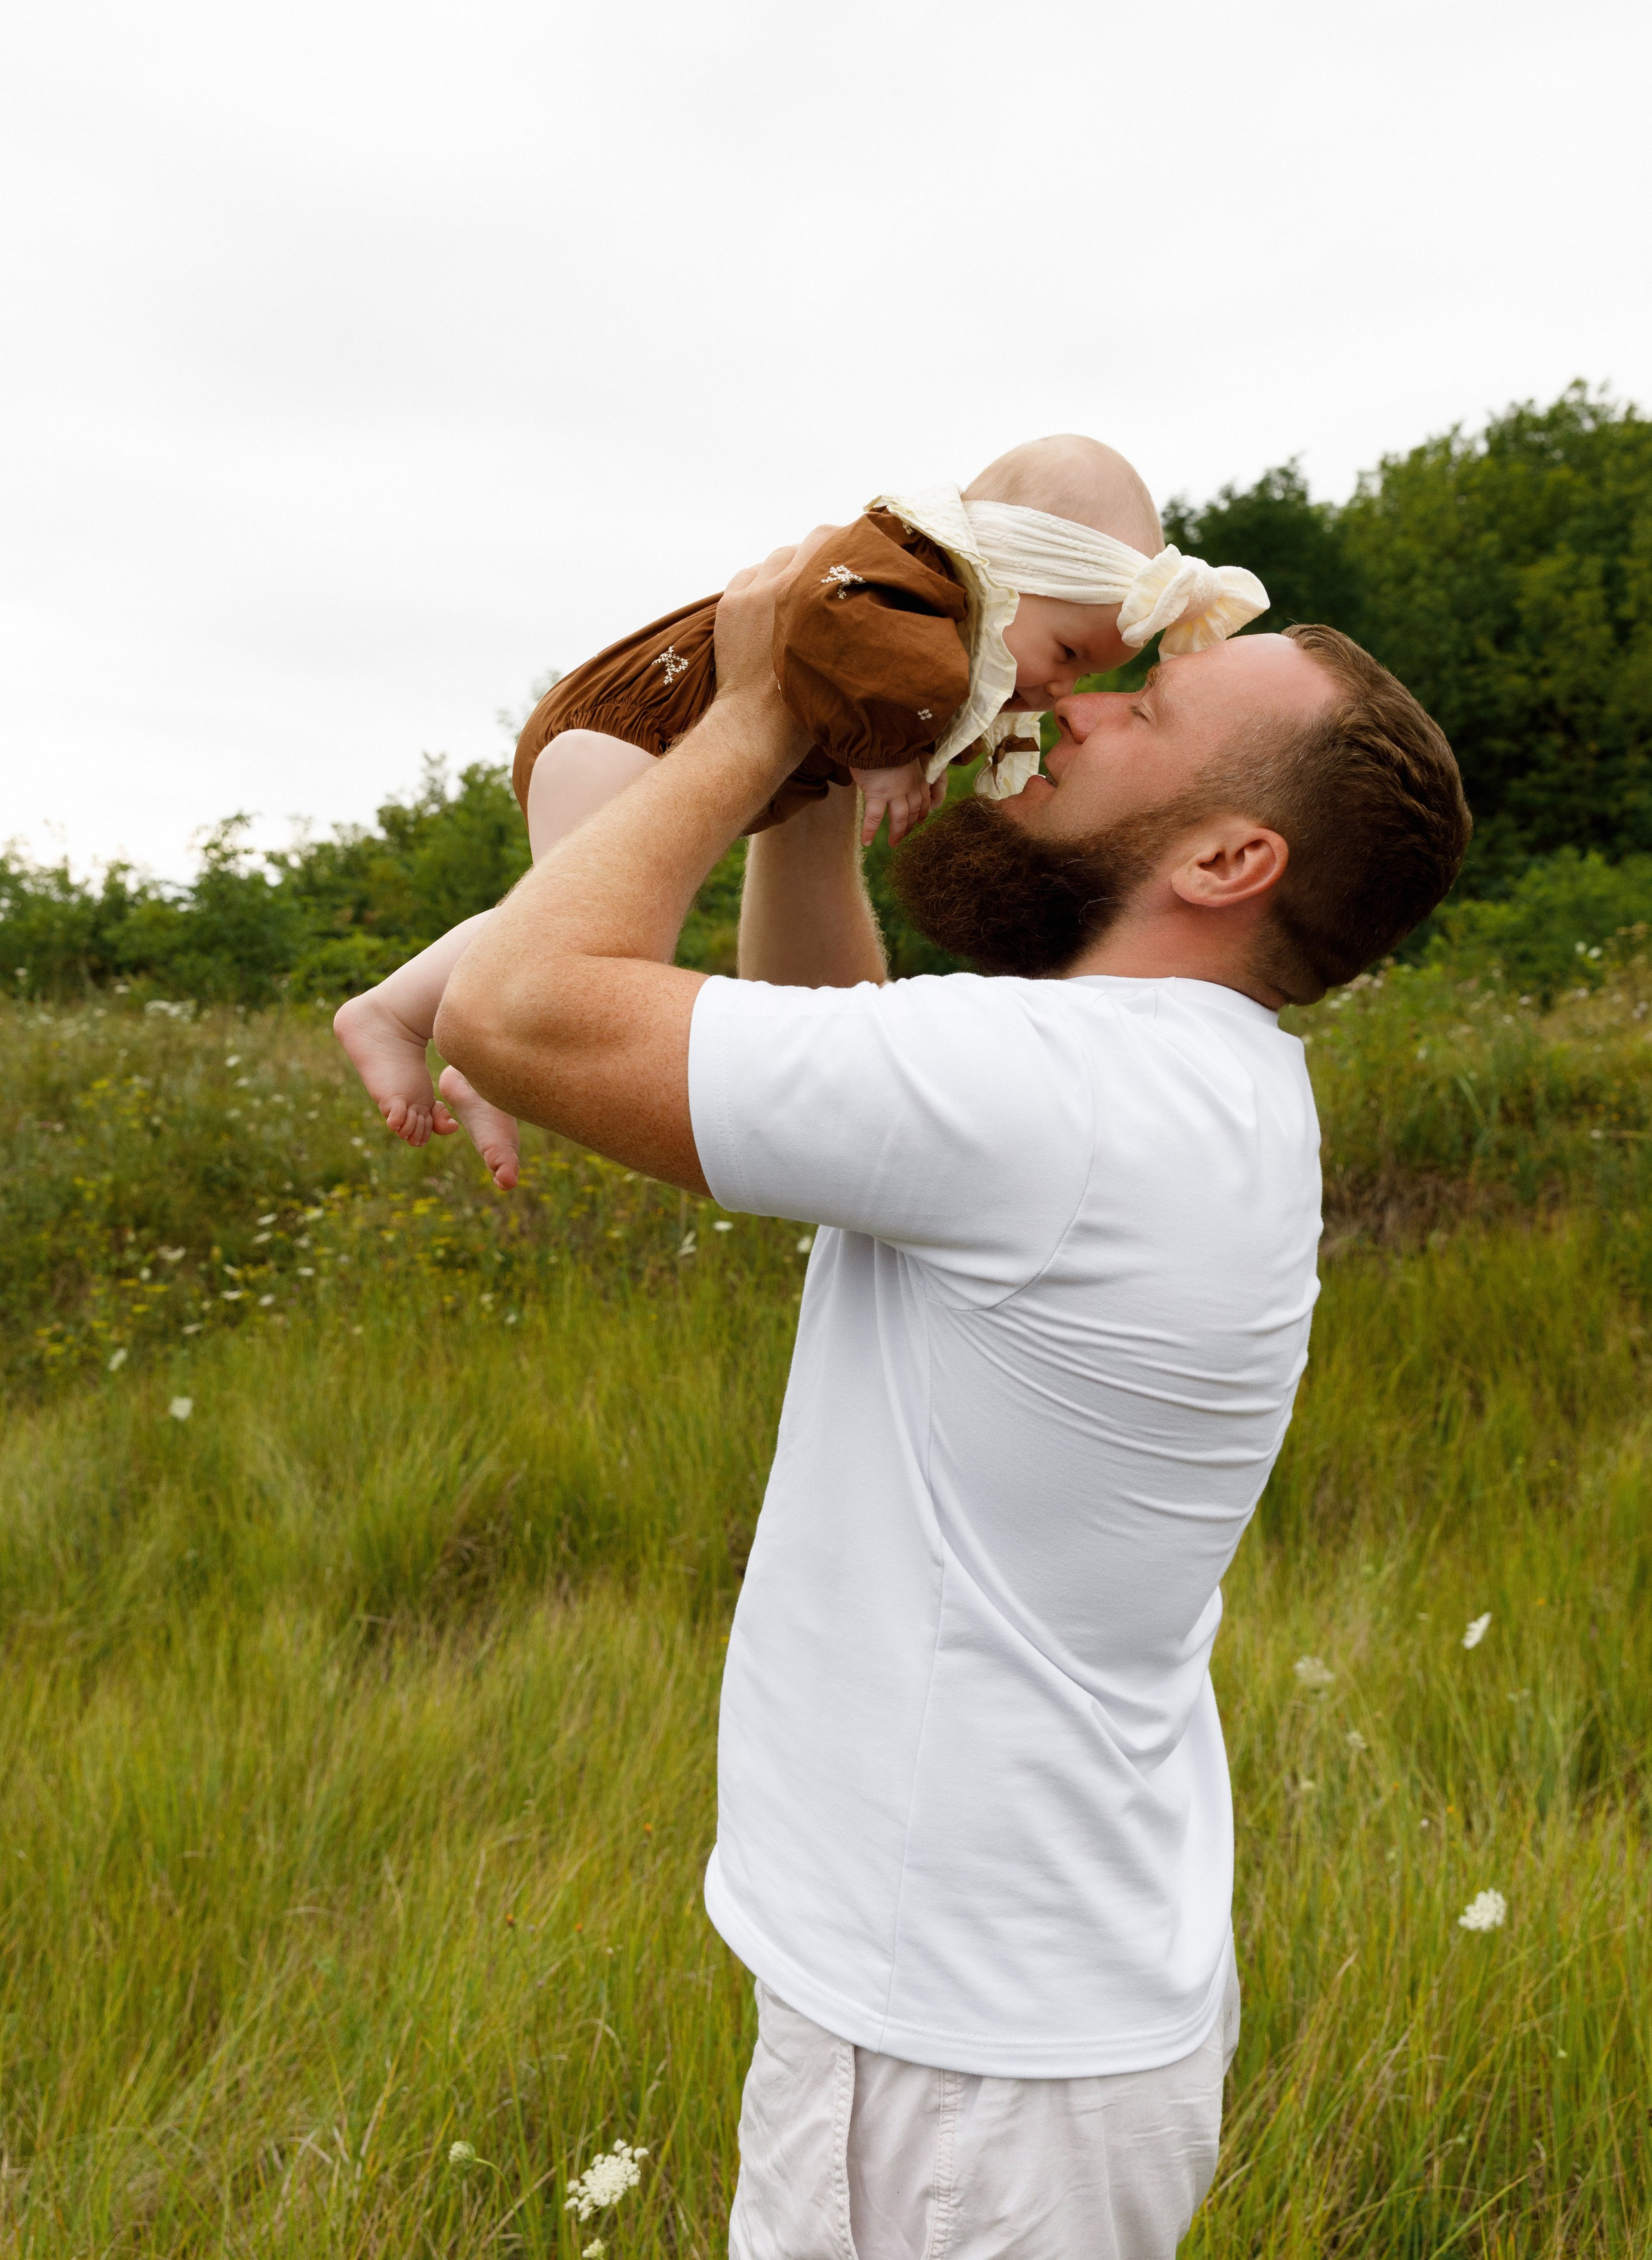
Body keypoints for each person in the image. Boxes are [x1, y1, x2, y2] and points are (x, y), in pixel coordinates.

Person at [432, 551, 1470, 2260]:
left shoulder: (1072, 1097)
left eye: (1144, 706)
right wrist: (808, 813)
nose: (1074, 702)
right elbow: (841, 1070)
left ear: (1230, 857)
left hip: (963, 2073)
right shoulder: (1170, 1084)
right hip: (1011, 2013)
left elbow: (523, 1010)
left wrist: (761, 711)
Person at [332, 435, 1269, 1189]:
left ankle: (476, 1060)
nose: (1061, 690)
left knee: (571, 963)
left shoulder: (969, 647)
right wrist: (891, 755)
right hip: (632, 729)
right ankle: (392, 1014)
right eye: (1066, 651)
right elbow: (832, 626)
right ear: (1010, 573)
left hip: (663, 745)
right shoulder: (910, 576)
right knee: (575, 955)